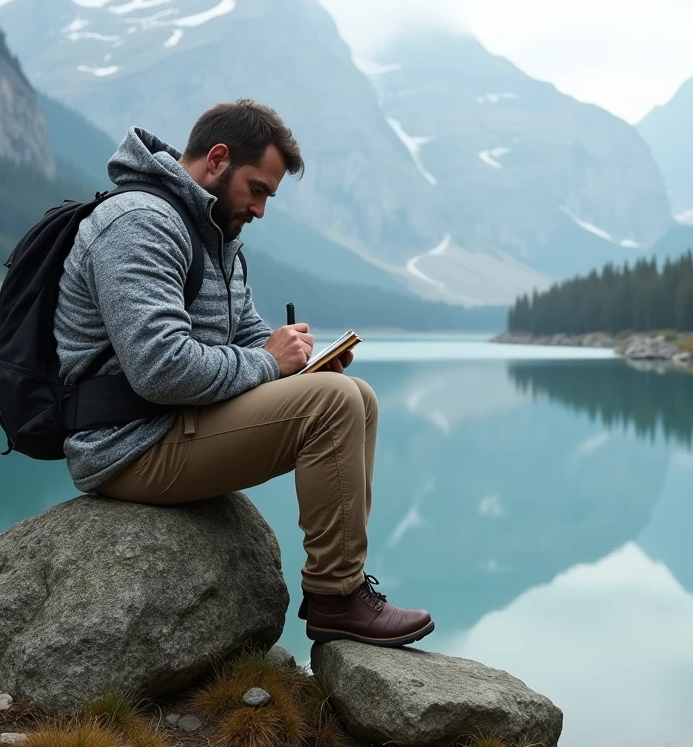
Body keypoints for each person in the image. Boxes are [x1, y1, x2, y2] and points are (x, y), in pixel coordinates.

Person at [52, 98, 434, 648]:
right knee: (332, 403)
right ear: (218, 159)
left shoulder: (215, 233)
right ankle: (335, 597)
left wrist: (305, 367)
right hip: (127, 444)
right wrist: (271, 363)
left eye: (268, 196)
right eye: (257, 189)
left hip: (174, 423)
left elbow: (249, 335)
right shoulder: (139, 223)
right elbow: (160, 368)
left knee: (354, 395)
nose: (260, 209)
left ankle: (342, 589)